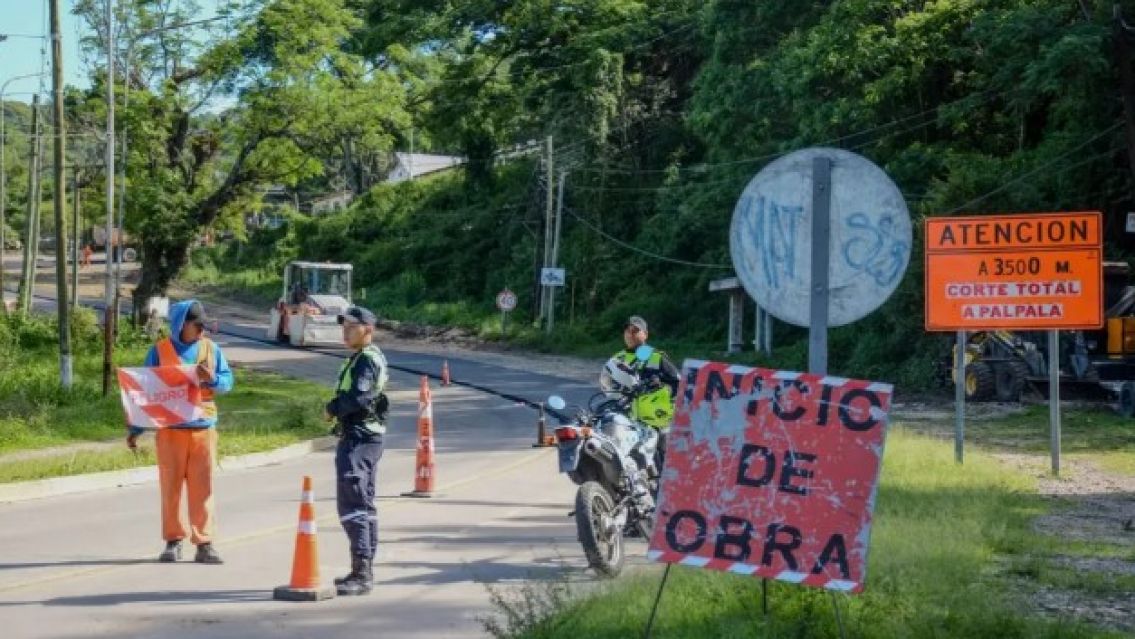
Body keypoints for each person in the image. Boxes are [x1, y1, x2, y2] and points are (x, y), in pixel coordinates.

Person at [126, 300, 234, 564]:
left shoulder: (211, 349)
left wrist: (212, 379)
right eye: (198, 326)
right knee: (170, 487)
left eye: (204, 327)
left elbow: (227, 382)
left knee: (203, 487)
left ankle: (204, 543)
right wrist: (135, 429)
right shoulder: (159, 352)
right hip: (171, 431)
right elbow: (146, 392)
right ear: (181, 324)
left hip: (202, 430)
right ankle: (173, 542)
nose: (202, 331)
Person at [325, 305, 390, 596]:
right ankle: (362, 569)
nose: (346, 330)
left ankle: (362, 573)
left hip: (360, 437)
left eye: (352, 326)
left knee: (353, 503)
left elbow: (359, 397)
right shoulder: (361, 358)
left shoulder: (366, 360)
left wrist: (332, 409)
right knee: (363, 502)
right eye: (344, 326)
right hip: (364, 436)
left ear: (368, 330)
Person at [613, 316, 680, 463]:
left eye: (635, 330)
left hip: (657, 420)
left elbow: (679, 383)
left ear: (645, 334)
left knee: (664, 458)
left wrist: (662, 386)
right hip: (629, 419)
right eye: (627, 330)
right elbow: (608, 384)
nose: (630, 334)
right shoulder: (618, 359)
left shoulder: (656, 357)